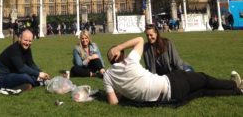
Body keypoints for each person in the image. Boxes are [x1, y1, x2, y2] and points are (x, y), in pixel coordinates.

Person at [104, 37, 243, 105]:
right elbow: (140, 39)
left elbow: (114, 102)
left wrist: (121, 90)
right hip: (172, 83)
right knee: (204, 78)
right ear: (120, 53)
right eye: (121, 50)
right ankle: (233, 85)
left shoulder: (108, 76)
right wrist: (120, 46)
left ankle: (237, 91)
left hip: (172, 99)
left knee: (203, 92)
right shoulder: (130, 61)